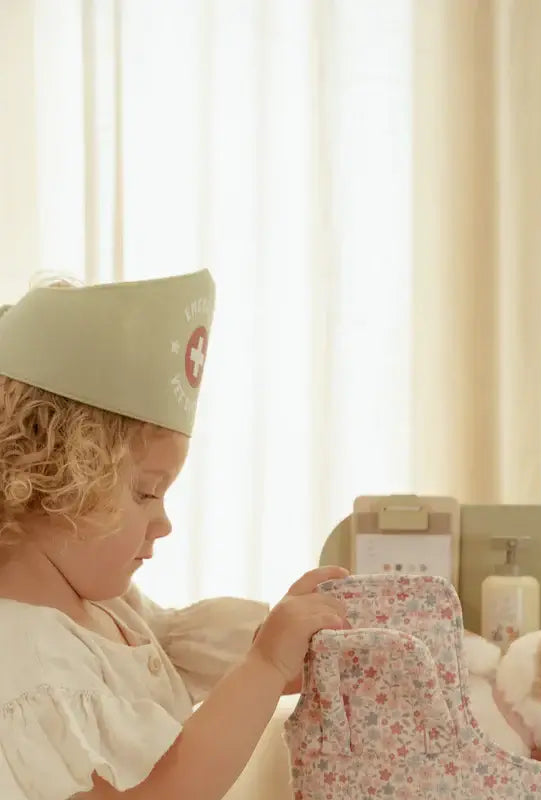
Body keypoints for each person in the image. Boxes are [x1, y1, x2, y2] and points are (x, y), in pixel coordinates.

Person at [0, 269, 348, 800]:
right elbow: (164, 792)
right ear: (55, 483)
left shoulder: (112, 609)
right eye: (146, 492)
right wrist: (265, 665)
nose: (164, 523)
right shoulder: (23, 658)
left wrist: (283, 646)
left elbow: (177, 648)